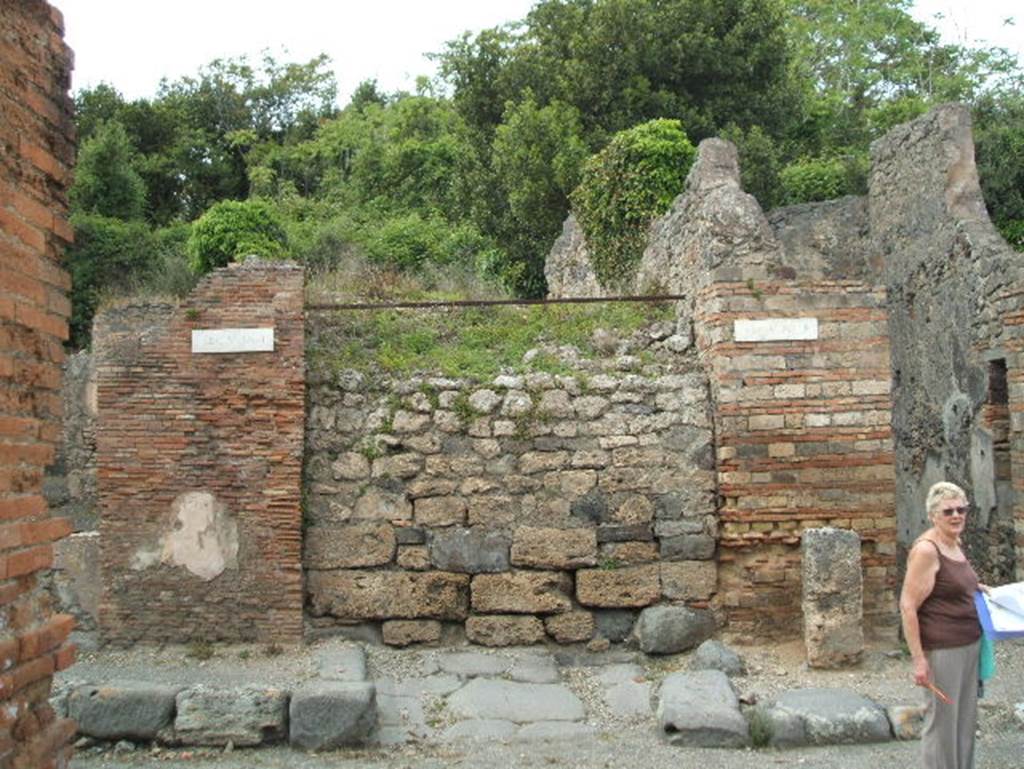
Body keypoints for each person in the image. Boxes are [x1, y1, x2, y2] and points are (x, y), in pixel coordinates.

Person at [899, 481, 986, 769]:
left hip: (969, 645)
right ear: (933, 515)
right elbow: (908, 605)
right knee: (942, 726)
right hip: (943, 650)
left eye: (961, 509)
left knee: (963, 723)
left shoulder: (954, 543)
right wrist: (919, 660)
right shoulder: (927, 550)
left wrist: (979, 590)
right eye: (948, 511)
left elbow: (953, 585)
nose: (956, 515)